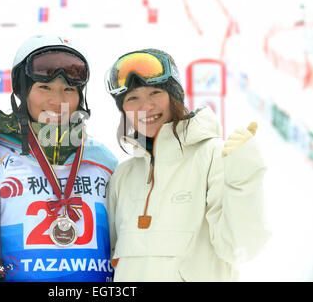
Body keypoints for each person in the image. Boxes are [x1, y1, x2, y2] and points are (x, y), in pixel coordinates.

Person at [0, 35, 117, 282]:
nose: (57, 100)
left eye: (69, 89)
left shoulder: (102, 161)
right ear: (22, 91)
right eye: (44, 88)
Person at [104, 48, 270, 281]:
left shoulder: (211, 156)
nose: (145, 107)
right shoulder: (124, 175)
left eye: (154, 93)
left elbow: (240, 246)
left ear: (175, 97)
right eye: (133, 98)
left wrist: (243, 175)